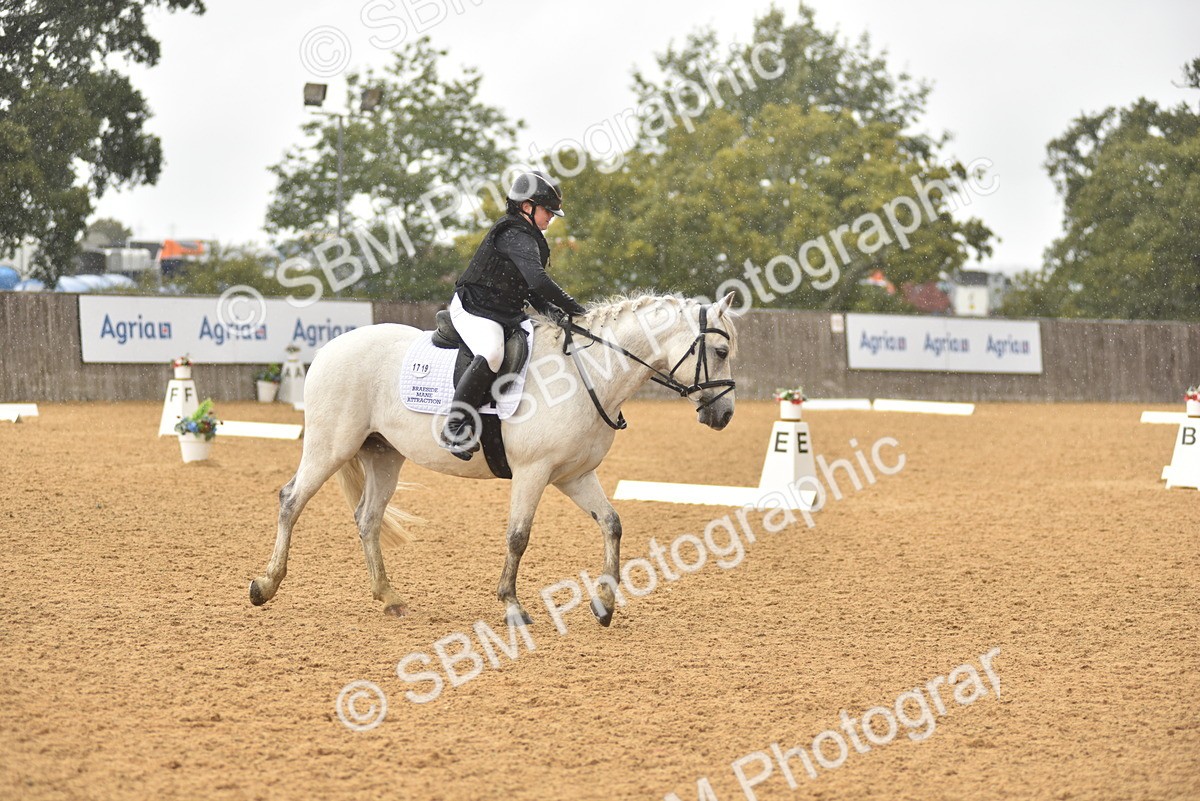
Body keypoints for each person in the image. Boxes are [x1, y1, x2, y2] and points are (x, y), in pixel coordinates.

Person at [440, 170, 586, 460]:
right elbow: (538, 281)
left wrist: (551, 310)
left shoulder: (530, 237)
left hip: (504, 312)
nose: (551, 217)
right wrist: (576, 308)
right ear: (527, 206)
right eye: (548, 211)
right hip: (475, 308)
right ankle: (454, 426)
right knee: (492, 353)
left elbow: (528, 288)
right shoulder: (513, 235)